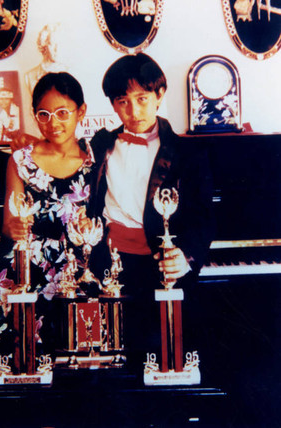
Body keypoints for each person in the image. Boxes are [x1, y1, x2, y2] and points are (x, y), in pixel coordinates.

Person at [87, 53, 214, 369]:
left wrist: (186, 257)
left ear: (159, 95)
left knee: (165, 358)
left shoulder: (189, 153)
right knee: (111, 362)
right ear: (113, 105)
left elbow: (204, 216)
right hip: (110, 267)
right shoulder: (99, 145)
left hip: (162, 267)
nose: (133, 110)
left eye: (142, 98)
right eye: (122, 101)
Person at [0, 72, 94, 366]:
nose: (53, 122)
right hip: (25, 266)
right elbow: (8, 223)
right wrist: (13, 227)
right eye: (44, 114)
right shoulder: (19, 160)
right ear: (35, 116)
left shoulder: (93, 160)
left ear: (81, 112)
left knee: (76, 361)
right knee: (16, 359)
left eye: (63, 112)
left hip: (75, 267)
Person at [25, 23, 68, 94]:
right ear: (44, 45)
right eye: (52, 44)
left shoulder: (70, 72)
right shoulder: (30, 76)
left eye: (59, 45)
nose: (57, 49)